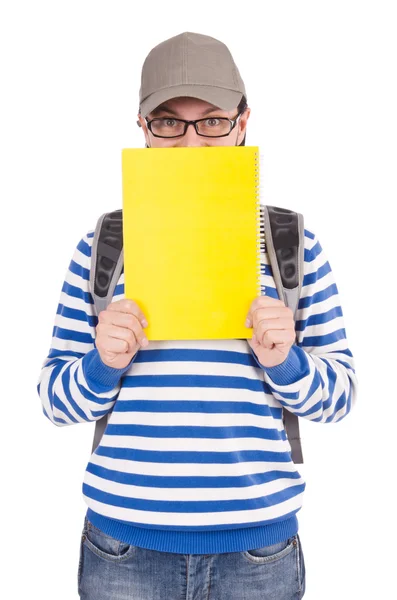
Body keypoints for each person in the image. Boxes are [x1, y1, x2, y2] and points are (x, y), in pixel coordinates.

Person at [37, 31, 358, 600]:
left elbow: (340, 400)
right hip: (123, 552)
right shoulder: (103, 245)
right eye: (168, 122)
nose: (190, 145)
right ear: (143, 128)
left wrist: (287, 360)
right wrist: (100, 363)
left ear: (242, 123)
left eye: (211, 121)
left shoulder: (292, 245)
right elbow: (54, 403)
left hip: (257, 553)